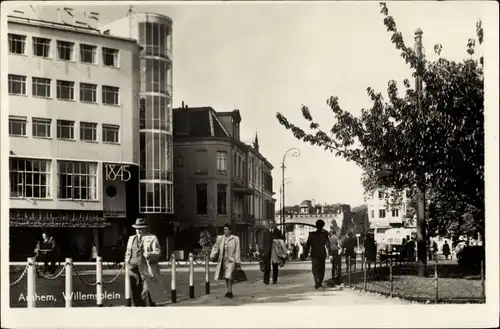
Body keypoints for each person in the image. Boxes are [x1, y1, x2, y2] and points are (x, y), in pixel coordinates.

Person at [124, 218, 168, 307]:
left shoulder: (152, 238)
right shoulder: (131, 238)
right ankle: (138, 309)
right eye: (137, 228)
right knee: (135, 290)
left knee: (146, 291)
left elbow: (158, 252)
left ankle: (148, 309)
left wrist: (148, 255)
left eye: (141, 228)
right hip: (132, 268)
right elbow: (128, 252)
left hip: (146, 269)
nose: (139, 231)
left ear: (146, 228)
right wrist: (127, 261)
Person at [210, 224, 242, 298]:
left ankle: (230, 291)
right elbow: (216, 247)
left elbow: (237, 250)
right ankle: (228, 290)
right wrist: (212, 256)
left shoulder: (235, 238)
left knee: (229, 275)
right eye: (224, 229)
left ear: (230, 230)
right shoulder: (220, 238)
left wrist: (238, 262)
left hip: (231, 260)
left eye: (227, 229)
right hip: (223, 260)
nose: (225, 231)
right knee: (226, 276)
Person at [303, 220, 333, 289]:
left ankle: (317, 280)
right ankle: (319, 281)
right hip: (322, 253)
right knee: (321, 268)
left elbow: (308, 246)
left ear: (316, 226)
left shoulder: (312, 235)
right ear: (323, 226)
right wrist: (330, 254)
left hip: (314, 254)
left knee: (315, 268)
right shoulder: (324, 235)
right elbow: (328, 245)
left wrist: (305, 255)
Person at [261, 220, 285, 284]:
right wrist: (262, 251)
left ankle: (275, 280)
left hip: (275, 250)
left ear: (274, 224)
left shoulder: (278, 232)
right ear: (268, 224)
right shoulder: (265, 232)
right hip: (267, 251)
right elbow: (263, 242)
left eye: (272, 223)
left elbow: (281, 241)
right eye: (270, 224)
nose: (271, 225)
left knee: (275, 265)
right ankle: (266, 280)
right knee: (267, 266)